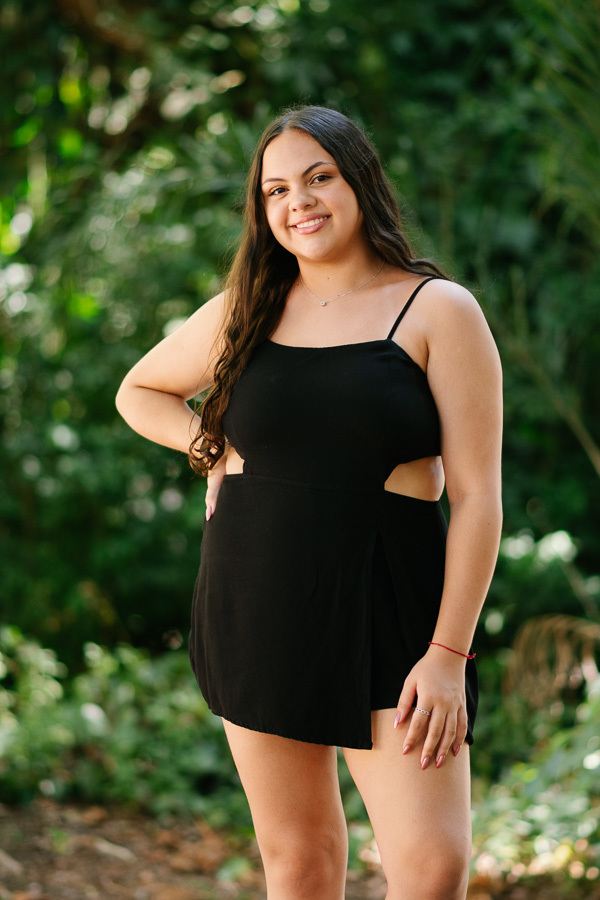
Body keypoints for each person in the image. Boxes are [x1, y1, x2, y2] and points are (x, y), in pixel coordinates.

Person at [116, 105, 503, 900]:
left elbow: (477, 498)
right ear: (262, 210)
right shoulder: (248, 309)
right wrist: (210, 447)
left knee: (432, 869)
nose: (300, 201)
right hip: (257, 599)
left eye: (319, 177)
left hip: (394, 618)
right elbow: (140, 390)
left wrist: (447, 656)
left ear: (358, 179)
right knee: (298, 863)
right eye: (277, 189)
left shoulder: (437, 310)